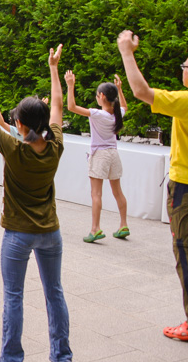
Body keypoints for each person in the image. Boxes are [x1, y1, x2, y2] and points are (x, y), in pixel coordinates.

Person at [0, 44, 71, 362]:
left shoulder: (13, 148)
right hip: (51, 233)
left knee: (14, 297)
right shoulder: (55, 147)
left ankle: (12, 358)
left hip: (18, 234)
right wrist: (54, 69)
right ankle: (61, 356)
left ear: (22, 126)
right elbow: (59, 108)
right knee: (55, 293)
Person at [117, 30, 188, 342]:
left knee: (184, 252)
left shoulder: (185, 102)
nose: (182, 69)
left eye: (185, 66)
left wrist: (126, 52)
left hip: (184, 188)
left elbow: (142, 92)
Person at [65, 70, 130, 243]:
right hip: (113, 155)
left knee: (96, 194)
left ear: (101, 96)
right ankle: (123, 224)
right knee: (118, 192)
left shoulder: (98, 114)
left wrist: (70, 85)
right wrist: (120, 89)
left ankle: (95, 229)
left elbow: (71, 107)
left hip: (99, 156)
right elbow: (125, 107)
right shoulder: (117, 114)